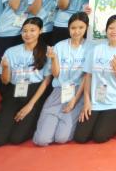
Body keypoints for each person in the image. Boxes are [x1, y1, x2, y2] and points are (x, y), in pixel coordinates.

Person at [0, 17, 51, 146]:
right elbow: (5, 81)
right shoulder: (11, 52)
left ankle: (34, 119)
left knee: (16, 138)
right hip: (14, 90)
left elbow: (46, 81)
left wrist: (30, 105)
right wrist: (6, 68)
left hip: (34, 92)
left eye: (32, 30)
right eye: (25, 31)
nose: (28, 34)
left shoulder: (47, 51)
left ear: (40, 31)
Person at [73, 14, 116, 144]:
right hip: (97, 100)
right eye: (111, 28)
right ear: (106, 30)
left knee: (100, 136)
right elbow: (88, 76)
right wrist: (87, 102)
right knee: (80, 137)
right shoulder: (96, 49)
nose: (114, 31)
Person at [33, 12, 90, 146]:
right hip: (59, 90)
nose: (76, 31)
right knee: (42, 140)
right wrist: (53, 59)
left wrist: (74, 100)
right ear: (68, 28)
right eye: (73, 28)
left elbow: (87, 76)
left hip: (78, 92)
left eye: (81, 28)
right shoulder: (59, 46)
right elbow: (56, 74)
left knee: (61, 138)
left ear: (86, 28)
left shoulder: (91, 47)